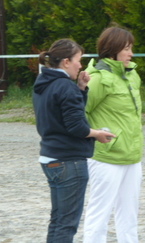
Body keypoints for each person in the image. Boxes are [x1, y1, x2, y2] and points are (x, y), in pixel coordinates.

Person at [33, 39, 114, 243]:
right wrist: (97, 134)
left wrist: (81, 88)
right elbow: (77, 127)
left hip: (50, 157)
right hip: (69, 161)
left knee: (58, 220)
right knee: (67, 224)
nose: (81, 65)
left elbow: (64, 115)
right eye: (79, 60)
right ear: (67, 61)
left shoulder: (43, 82)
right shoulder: (64, 86)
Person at [83, 27, 144, 243]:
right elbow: (81, 112)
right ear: (113, 50)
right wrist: (96, 135)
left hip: (132, 156)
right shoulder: (98, 79)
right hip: (106, 157)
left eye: (131, 48)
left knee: (129, 213)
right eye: (127, 48)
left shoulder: (132, 75)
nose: (131, 53)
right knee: (99, 212)